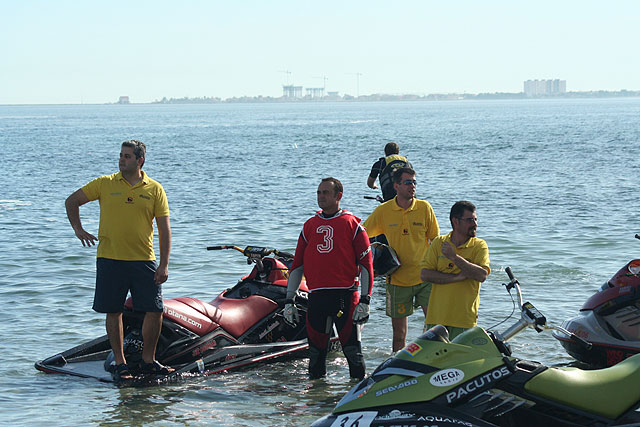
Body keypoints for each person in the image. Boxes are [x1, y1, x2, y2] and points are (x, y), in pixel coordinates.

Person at [65, 140, 173, 381]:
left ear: (139, 160)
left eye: (127, 156)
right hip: (110, 259)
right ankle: (120, 363)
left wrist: (164, 264)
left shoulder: (154, 189)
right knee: (113, 312)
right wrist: (78, 230)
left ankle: (148, 360)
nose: (121, 159)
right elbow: (71, 201)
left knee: (155, 311)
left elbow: (164, 230)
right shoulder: (105, 183)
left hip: (143, 260)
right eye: (121, 155)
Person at [284, 177, 374, 379]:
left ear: (338, 196)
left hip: (345, 298)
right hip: (316, 299)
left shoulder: (353, 224)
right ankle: (318, 405)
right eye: (318, 192)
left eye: (325, 192)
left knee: (353, 352)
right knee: (315, 355)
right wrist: (289, 300)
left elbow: (367, 265)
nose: (321, 196)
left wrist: (366, 300)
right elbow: (297, 266)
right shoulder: (309, 225)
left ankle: (358, 398)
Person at [363, 167, 440, 352]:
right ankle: (397, 368)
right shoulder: (384, 210)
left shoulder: (424, 208)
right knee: (399, 335)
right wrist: (373, 256)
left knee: (436, 328)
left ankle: (433, 361)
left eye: (414, 182)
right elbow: (363, 234)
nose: (412, 186)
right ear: (396, 186)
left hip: (425, 279)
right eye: (408, 182)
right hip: (397, 281)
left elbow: (436, 241)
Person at [420, 201, 490, 340]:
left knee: (458, 361)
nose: (475, 224)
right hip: (436, 318)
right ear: (455, 221)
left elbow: (482, 275)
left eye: (475, 219)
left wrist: (454, 257)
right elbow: (425, 274)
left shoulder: (479, 245)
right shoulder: (439, 242)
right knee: (434, 361)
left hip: (464, 320)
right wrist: (455, 277)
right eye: (470, 220)